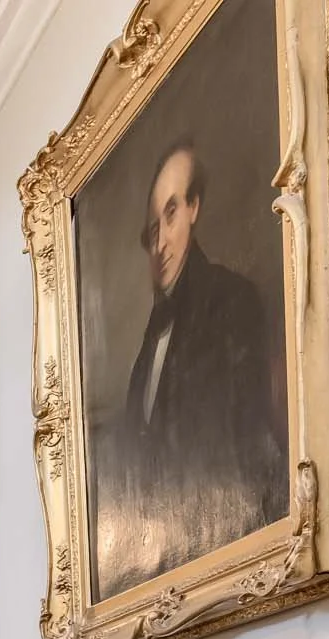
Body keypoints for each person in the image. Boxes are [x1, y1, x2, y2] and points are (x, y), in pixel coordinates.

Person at [99, 138, 288, 591]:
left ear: (194, 209)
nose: (161, 243)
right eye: (152, 231)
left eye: (171, 214)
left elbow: (249, 451)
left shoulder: (233, 302)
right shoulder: (148, 347)